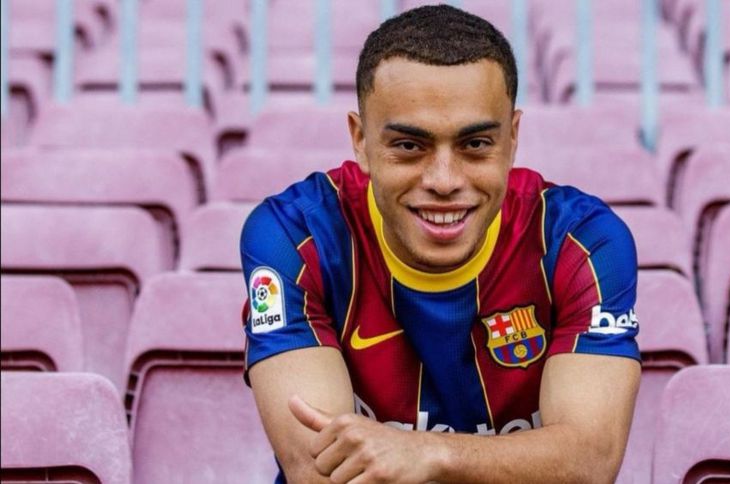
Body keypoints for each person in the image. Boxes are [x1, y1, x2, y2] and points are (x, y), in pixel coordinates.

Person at [240, 5, 641, 483]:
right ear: (360, 140)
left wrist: (429, 453)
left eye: (475, 145)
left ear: (512, 138)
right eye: (410, 146)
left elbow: (589, 463)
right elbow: (321, 473)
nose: (444, 180)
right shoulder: (295, 236)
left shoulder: (582, 242)